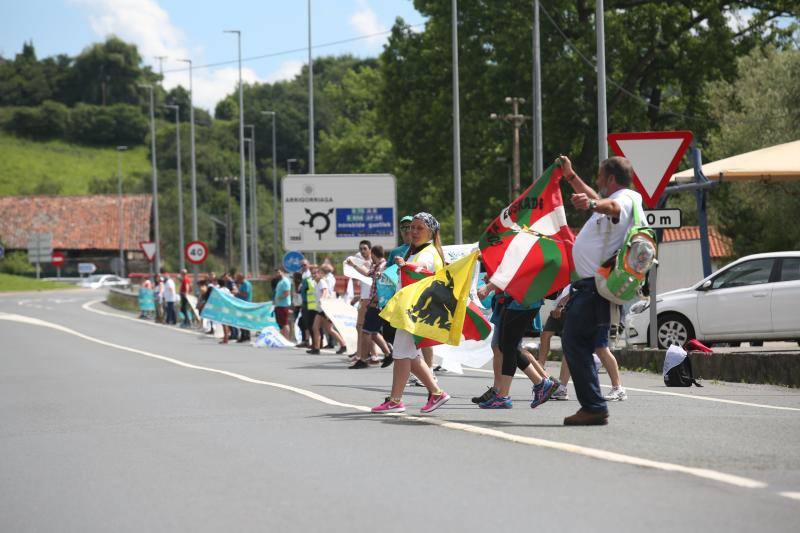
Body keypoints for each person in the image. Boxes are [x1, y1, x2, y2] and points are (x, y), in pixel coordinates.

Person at [559, 154, 643, 425]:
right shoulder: (617, 199)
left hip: (593, 288)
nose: (596, 181)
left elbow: (611, 206)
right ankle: (593, 405)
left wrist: (594, 203)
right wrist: (571, 177)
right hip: (591, 288)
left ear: (610, 178)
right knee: (585, 343)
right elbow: (595, 197)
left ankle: (594, 406)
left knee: (573, 341)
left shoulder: (625, 199)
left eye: (599, 175)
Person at [371, 212, 451, 414]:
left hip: (414, 311)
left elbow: (423, 268)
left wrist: (407, 266)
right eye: (411, 228)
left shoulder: (427, 253)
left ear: (431, 232)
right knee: (410, 356)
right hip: (411, 310)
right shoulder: (418, 250)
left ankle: (396, 400)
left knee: (401, 354)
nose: (413, 231)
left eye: (419, 228)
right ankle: (436, 392)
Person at [474, 283, 557, 409]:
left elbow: (513, 272)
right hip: (520, 301)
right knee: (507, 347)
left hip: (521, 301)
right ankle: (540, 384)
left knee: (508, 347)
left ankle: (504, 396)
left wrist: (489, 287)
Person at [346, 245, 391, 369]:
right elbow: (366, 273)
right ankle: (388, 354)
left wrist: (375, 300)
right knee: (374, 333)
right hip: (375, 303)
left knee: (366, 331)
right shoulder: (376, 266)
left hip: (376, 304)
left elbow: (384, 286)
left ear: (373, 254)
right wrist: (354, 265)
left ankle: (363, 359)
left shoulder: (382, 267)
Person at [273, 268, 292, 340]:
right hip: (279, 305)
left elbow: (287, 293)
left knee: (285, 323)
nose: (277, 274)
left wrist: (279, 298)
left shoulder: (285, 281)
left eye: (278, 272)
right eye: (276, 273)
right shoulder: (280, 282)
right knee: (281, 324)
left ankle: (286, 339)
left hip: (283, 305)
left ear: (283, 272)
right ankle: (282, 338)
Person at [235, 272, 252, 342]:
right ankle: (246, 335)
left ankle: (244, 336)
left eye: (238, 279)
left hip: (245, 304)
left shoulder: (246, 284)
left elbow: (245, 294)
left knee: (243, 320)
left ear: (241, 278)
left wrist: (237, 293)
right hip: (242, 303)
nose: (237, 280)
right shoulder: (243, 284)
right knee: (244, 320)